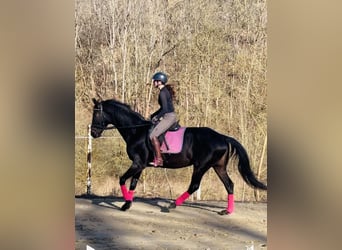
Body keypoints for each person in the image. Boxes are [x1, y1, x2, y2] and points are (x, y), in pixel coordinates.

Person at [149, 72, 177, 167]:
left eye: (155, 81)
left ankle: (159, 160)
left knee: (153, 135)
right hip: (168, 115)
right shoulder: (164, 91)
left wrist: (157, 117)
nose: (154, 83)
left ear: (159, 82)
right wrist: (154, 114)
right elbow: (163, 108)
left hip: (169, 117)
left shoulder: (162, 93)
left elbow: (165, 109)